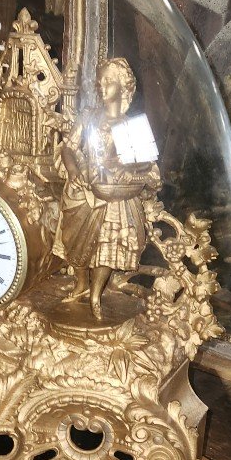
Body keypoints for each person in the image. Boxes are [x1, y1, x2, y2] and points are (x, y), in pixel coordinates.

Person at [54, 58, 160, 319]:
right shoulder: (88, 116)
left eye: (109, 81)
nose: (102, 86)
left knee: (107, 243)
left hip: (113, 192)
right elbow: (68, 147)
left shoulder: (130, 125)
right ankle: (81, 283)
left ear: (124, 87)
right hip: (83, 190)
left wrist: (128, 167)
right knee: (73, 239)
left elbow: (146, 163)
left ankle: (95, 294)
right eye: (99, 81)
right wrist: (74, 171)